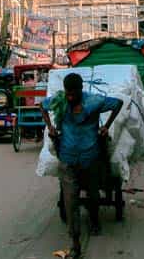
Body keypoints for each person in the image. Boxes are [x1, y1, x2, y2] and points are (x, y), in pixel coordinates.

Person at [40, 73, 123, 258]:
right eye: (67, 93)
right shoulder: (60, 101)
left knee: (93, 194)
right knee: (71, 202)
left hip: (90, 158)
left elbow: (118, 103)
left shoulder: (94, 101)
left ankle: (94, 218)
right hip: (68, 159)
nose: (70, 97)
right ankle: (75, 243)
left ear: (80, 89)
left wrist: (106, 126)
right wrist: (50, 127)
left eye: (73, 93)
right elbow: (42, 106)